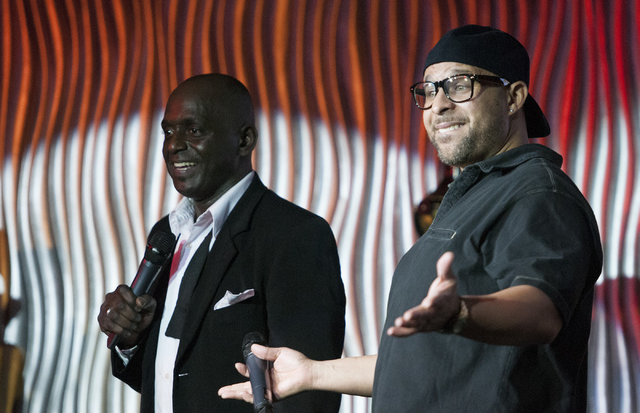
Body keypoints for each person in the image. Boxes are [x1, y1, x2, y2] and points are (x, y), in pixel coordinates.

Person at [219, 25, 603, 412]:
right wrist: (311, 374)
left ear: (514, 97)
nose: (438, 105)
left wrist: (462, 313)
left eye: (459, 85)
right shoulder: (473, 196)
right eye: (429, 91)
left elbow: (540, 310)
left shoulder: (538, 194)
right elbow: (415, 366)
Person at [97, 73, 346, 412]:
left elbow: (310, 394)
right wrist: (131, 340)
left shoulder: (295, 235)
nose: (174, 144)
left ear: (244, 140)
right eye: (168, 131)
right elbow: (170, 377)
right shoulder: (167, 235)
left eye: (194, 130)